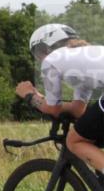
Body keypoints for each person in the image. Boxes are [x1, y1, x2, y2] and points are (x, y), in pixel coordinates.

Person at [15, 24, 104, 182]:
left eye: (38, 53)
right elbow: (78, 110)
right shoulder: (83, 58)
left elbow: (53, 109)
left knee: (74, 141)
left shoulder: (52, 60)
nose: (39, 59)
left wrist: (29, 96)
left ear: (45, 48)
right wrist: (43, 98)